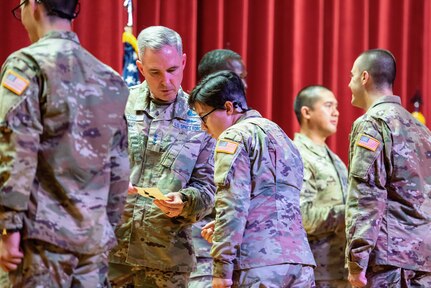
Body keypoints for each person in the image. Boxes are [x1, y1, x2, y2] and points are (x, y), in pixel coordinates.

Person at [0, 0, 130, 286]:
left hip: (41, 243)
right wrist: (106, 228)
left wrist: (8, 229)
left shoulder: (27, 64)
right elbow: (119, 167)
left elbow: (17, 150)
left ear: (32, 5)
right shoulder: (110, 78)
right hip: (93, 242)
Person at [108, 26, 216, 288]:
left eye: (172, 70)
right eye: (155, 72)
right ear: (140, 67)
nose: (165, 81)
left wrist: (186, 200)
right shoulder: (117, 105)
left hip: (166, 259)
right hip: (110, 253)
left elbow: (209, 187)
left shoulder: (200, 119)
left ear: (183, 62)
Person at [189, 71, 316, 288]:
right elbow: (273, 202)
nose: (203, 127)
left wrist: (221, 270)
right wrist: (222, 226)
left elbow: (233, 205)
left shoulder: (234, 136)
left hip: (258, 266)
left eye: (204, 117)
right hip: (300, 264)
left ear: (229, 108)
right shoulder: (281, 135)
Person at [346, 48, 431, 287]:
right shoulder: (421, 128)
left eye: (351, 76)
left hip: (390, 263)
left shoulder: (373, 123)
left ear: (364, 77)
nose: (349, 84)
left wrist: (356, 261)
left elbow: (366, 196)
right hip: (423, 262)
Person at [189, 49, 247, 288]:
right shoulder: (190, 126)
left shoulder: (246, 127)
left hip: (242, 251)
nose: (242, 84)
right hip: (201, 252)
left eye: (244, 77)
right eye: (236, 76)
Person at [293, 85, 349, 288]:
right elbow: (302, 217)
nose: (336, 112)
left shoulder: (334, 159)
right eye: (328, 106)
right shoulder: (297, 154)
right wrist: (352, 212)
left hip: (342, 271)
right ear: (307, 112)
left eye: (336, 106)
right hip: (315, 274)